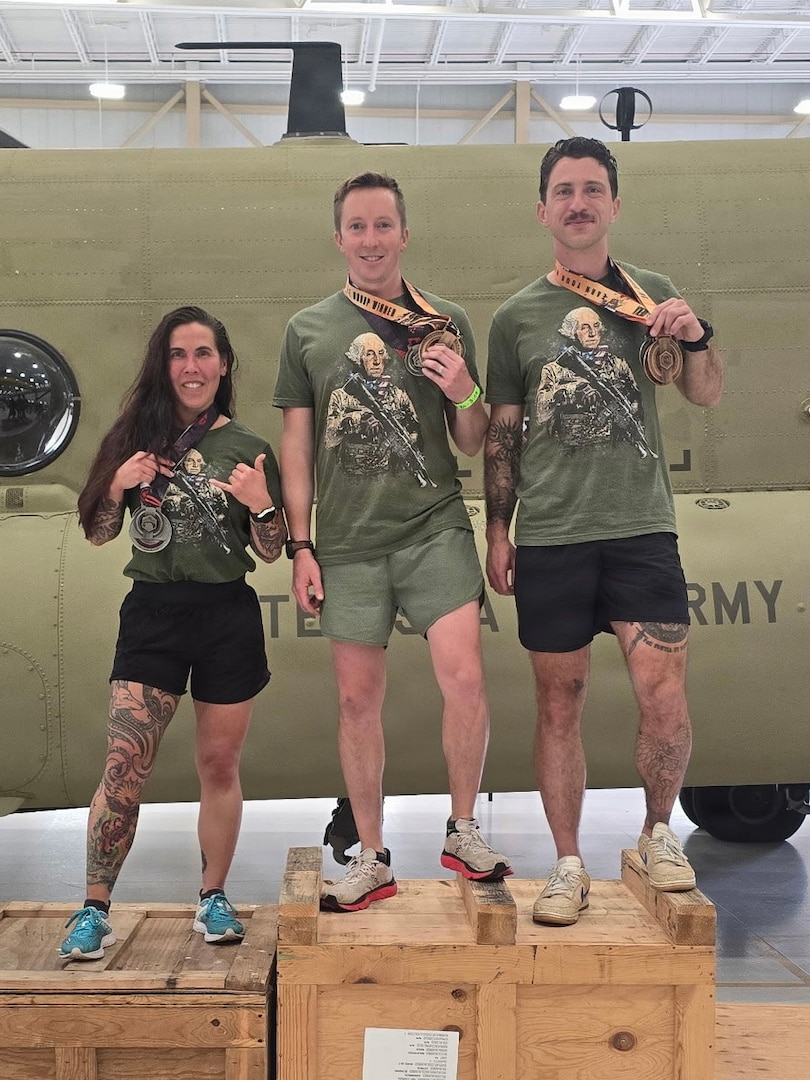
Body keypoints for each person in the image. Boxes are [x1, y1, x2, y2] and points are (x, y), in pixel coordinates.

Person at [484, 137, 724, 926]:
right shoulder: (517, 316)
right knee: (561, 703)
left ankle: (660, 833)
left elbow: (706, 394)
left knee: (664, 692)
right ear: (544, 209)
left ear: (613, 206)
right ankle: (567, 863)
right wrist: (497, 528)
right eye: (564, 190)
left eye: (592, 189)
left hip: (640, 530)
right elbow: (504, 436)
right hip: (552, 534)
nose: (578, 202)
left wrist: (696, 337)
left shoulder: (652, 294)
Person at [274, 171, 511, 912]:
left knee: (465, 678)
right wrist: (301, 545)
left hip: (433, 525)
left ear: (404, 235)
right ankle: (371, 855)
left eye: (384, 226)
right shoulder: (308, 330)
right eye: (358, 227)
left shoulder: (445, 320)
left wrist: (464, 389)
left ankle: (463, 829)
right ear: (338, 238)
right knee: (357, 700)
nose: (371, 239)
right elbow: (297, 446)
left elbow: (472, 441)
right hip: (346, 543)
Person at [59, 305, 286, 960]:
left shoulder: (248, 446)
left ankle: (213, 897)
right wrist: (116, 485)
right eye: (179, 354)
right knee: (124, 766)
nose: (192, 367)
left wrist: (261, 504)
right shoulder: (137, 435)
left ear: (223, 364)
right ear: (165, 365)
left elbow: (271, 549)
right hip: (155, 614)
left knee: (219, 763)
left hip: (226, 615)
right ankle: (94, 907)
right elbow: (101, 531)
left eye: (204, 353)